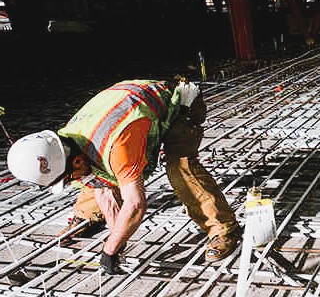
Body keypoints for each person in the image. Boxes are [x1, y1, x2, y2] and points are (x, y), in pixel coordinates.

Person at [6, 78, 241, 274]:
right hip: (129, 107)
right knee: (94, 174)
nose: (69, 183)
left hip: (179, 104)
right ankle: (87, 216)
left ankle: (223, 229)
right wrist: (118, 235)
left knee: (180, 166)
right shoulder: (67, 142)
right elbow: (98, 184)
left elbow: (136, 204)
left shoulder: (117, 147)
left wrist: (110, 249)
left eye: (67, 179)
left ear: (74, 159)